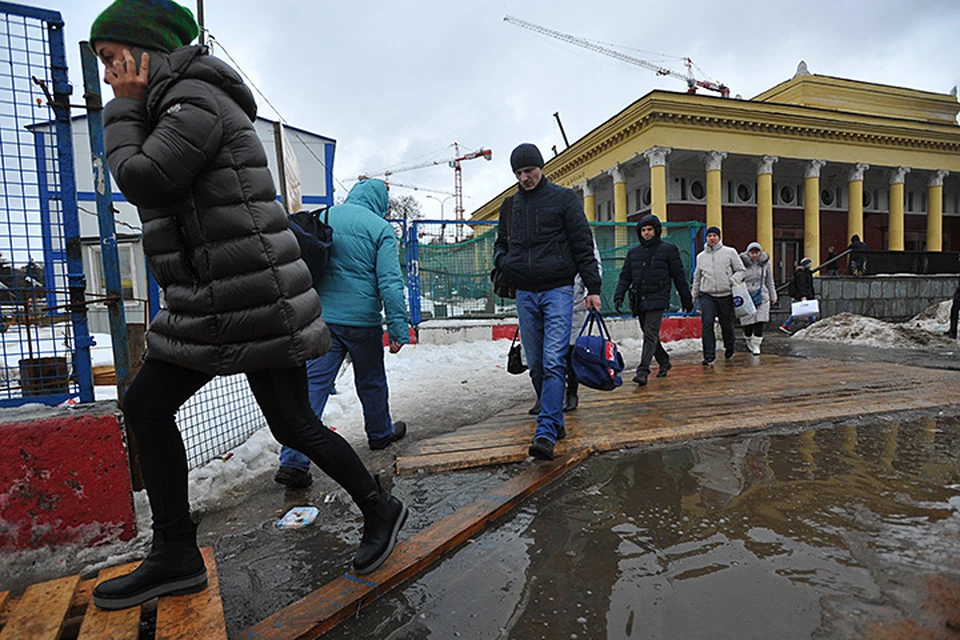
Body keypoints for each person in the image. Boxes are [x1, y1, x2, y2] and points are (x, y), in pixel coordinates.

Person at [88, 0, 405, 609]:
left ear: (142, 52)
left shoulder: (195, 102)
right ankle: (175, 553)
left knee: (289, 423)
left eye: (110, 60)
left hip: (253, 297)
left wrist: (123, 109)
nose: (107, 75)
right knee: (148, 405)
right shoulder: (172, 106)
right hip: (210, 299)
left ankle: (379, 507)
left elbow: (147, 179)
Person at [275, 179, 411, 489]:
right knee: (372, 381)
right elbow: (390, 282)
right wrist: (399, 328)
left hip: (321, 318)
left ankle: (294, 461)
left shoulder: (324, 217)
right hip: (362, 321)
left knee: (312, 388)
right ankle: (379, 434)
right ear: (379, 202)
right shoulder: (380, 229)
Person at [493, 143, 602, 461]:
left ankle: (544, 432)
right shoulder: (510, 205)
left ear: (541, 168)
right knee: (536, 363)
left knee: (554, 359)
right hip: (525, 293)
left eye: (529, 170)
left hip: (558, 290)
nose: (524, 177)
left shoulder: (564, 199)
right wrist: (504, 261)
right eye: (518, 172)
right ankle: (554, 419)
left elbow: (582, 242)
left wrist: (592, 287)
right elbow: (501, 243)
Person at [613, 214, 693, 385]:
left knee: (650, 333)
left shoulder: (668, 250)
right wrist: (619, 295)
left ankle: (643, 371)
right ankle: (664, 361)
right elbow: (625, 276)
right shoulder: (633, 252)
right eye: (643, 230)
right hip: (639, 299)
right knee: (649, 333)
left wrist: (687, 299)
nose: (646, 233)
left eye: (649, 229)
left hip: (658, 297)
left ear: (656, 231)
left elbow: (679, 276)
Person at [527, 239, 601, 415]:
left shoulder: (578, 231)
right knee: (544, 352)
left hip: (574, 300)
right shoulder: (544, 229)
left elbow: (592, 262)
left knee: (569, 351)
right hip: (545, 298)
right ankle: (544, 397)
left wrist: (590, 290)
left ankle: (571, 393)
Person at [691, 226, 745, 365]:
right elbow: (697, 278)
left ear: (719, 237)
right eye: (709, 236)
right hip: (707, 295)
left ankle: (729, 346)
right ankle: (709, 355)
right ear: (706, 238)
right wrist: (693, 296)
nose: (712, 238)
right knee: (707, 324)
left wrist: (731, 281)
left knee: (726, 323)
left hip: (725, 294)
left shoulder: (730, 252)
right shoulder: (701, 257)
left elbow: (741, 270)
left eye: (715, 235)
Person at [738, 242, 778, 355]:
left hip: (762, 294)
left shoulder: (765, 263)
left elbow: (769, 280)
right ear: (748, 252)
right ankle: (748, 338)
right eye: (752, 252)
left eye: (757, 252)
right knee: (748, 323)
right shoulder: (741, 263)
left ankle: (757, 345)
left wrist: (773, 295)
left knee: (760, 320)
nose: (754, 255)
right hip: (746, 294)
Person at [780, 257, 817, 334]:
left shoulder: (805, 272)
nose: (811, 264)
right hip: (803, 295)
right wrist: (803, 295)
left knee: (807, 311)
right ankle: (786, 325)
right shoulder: (802, 274)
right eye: (809, 263)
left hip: (805, 294)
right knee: (798, 312)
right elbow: (802, 285)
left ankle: (813, 324)